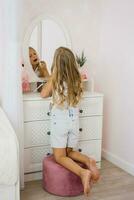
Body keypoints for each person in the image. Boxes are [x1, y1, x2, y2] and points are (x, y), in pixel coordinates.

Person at [40, 47, 100, 197]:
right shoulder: (77, 79)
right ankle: (88, 160)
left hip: (60, 122)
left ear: (56, 64)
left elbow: (43, 94)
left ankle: (82, 172)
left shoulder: (55, 79)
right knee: (68, 151)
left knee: (59, 156)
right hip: (74, 121)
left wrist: (51, 75)